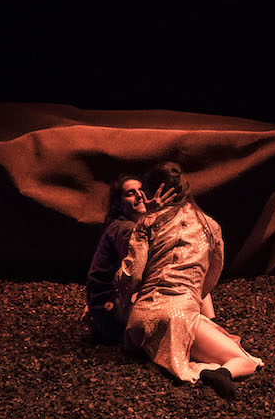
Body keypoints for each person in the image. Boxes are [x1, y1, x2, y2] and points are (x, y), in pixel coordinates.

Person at [113, 162, 264, 400]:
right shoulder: (209, 225)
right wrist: (190, 299)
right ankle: (220, 374)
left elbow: (132, 275)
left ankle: (146, 349)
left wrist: (124, 299)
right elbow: (211, 276)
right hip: (178, 316)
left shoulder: (147, 223)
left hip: (138, 320)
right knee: (246, 361)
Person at [84, 175, 180, 344]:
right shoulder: (126, 229)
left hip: (107, 309)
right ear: (118, 204)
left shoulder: (128, 226)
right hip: (112, 316)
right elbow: (143, 271)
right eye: (130, 193)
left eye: (141, 190)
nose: (140, 195)